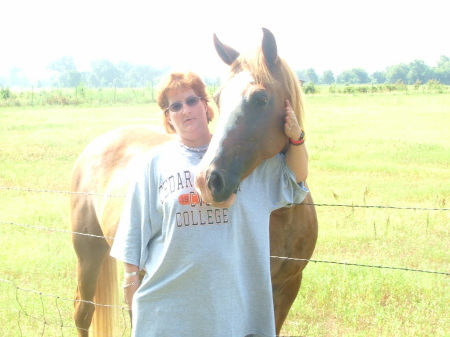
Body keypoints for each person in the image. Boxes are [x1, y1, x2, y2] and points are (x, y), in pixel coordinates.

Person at [110, 71, 309, 337]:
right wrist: (130, 279)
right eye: (175, 106)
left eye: (192, 101)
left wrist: (296, 137)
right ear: (168, 117)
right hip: (169, 309)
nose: (185, 110)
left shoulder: (246, 158)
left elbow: (294, 178)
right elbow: (135, 228)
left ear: (206, 105)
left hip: (234, 309)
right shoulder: (154, 164)